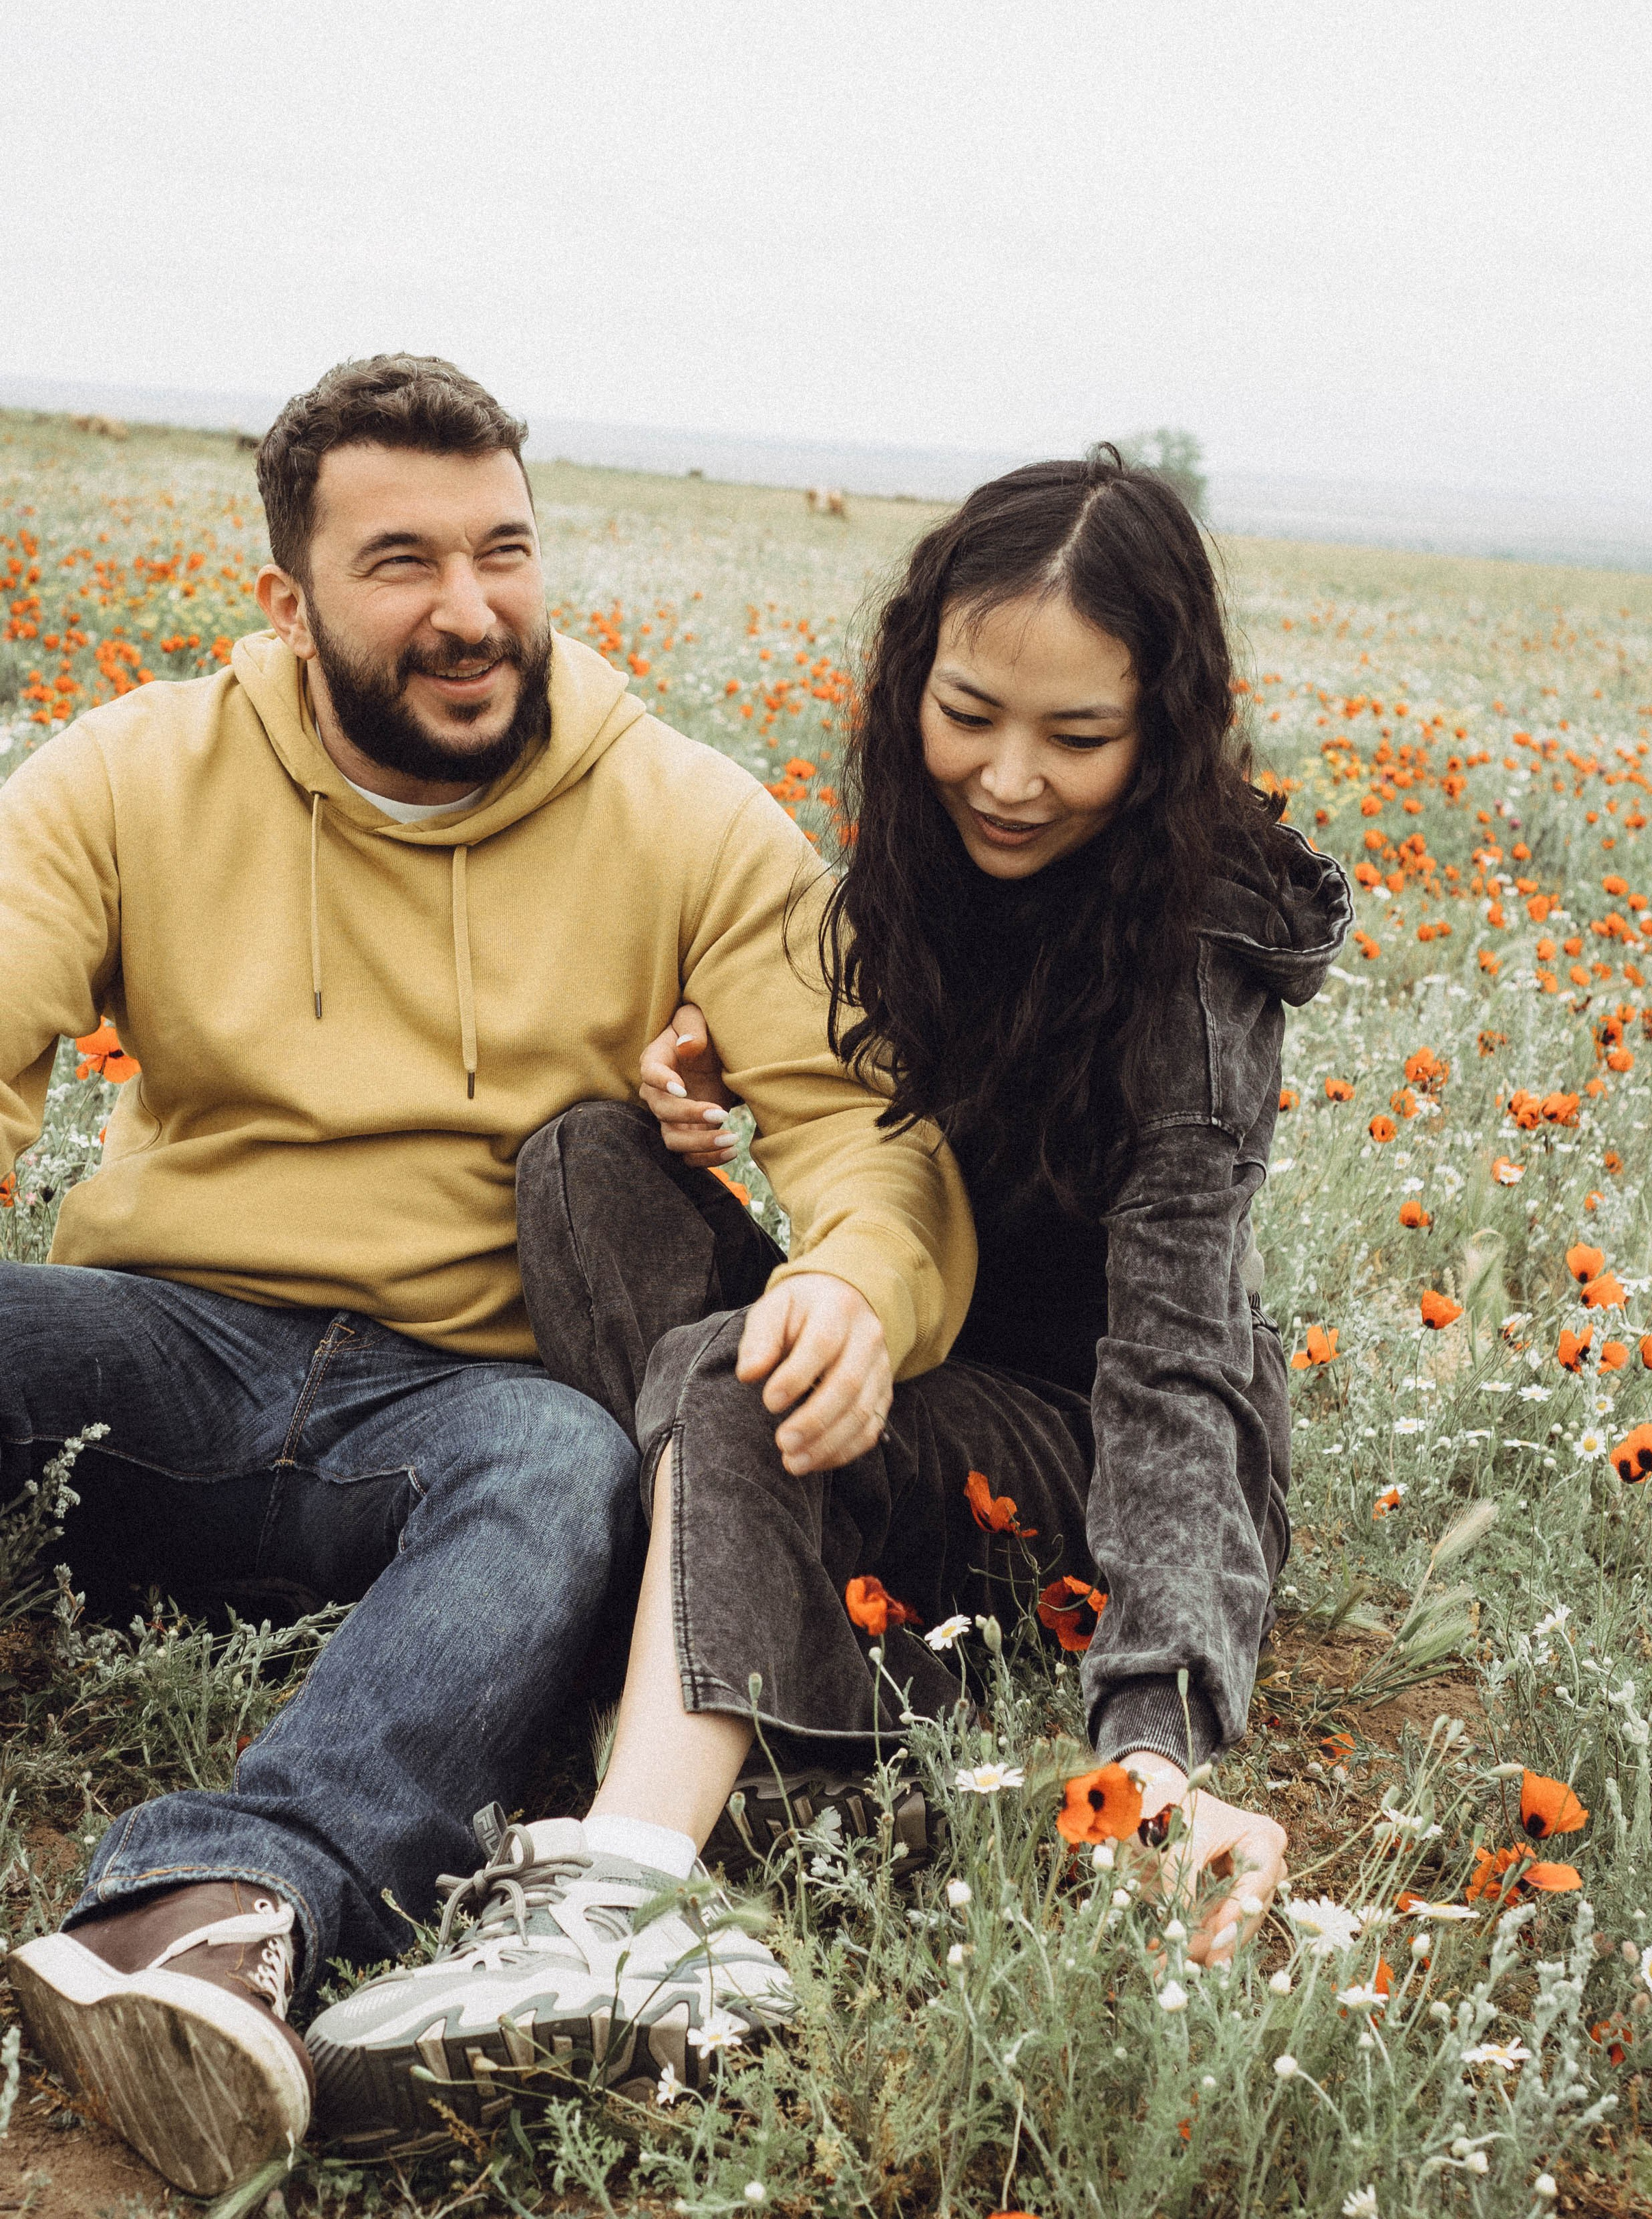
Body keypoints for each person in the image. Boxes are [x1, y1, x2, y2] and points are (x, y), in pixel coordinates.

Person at [1, 354, 972, 2195]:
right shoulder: (130, 774)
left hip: (464, 1407)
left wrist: (857, 1278)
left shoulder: (686, 817)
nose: (471, 613)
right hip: (164, 1350)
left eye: (504, 550)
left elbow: (866, 1129)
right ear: (286, 603)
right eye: (402, 564)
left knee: (568, 1472)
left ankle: (213, 1913)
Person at [308, 446, 1350, 2146]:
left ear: (1164, 728)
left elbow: (1178, 1360)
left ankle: (631, 1910)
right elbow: (876, 1103)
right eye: (969, 713)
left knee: (744, 1377)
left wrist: (1153, 1737)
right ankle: (738, 1615)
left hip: (1071, 1444)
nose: (1008, 779)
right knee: (582, 1161)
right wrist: (720, 1077)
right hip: (908, 1361)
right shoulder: (922, 850)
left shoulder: (1191, 961)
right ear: (909, 676)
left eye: (1077, 740)